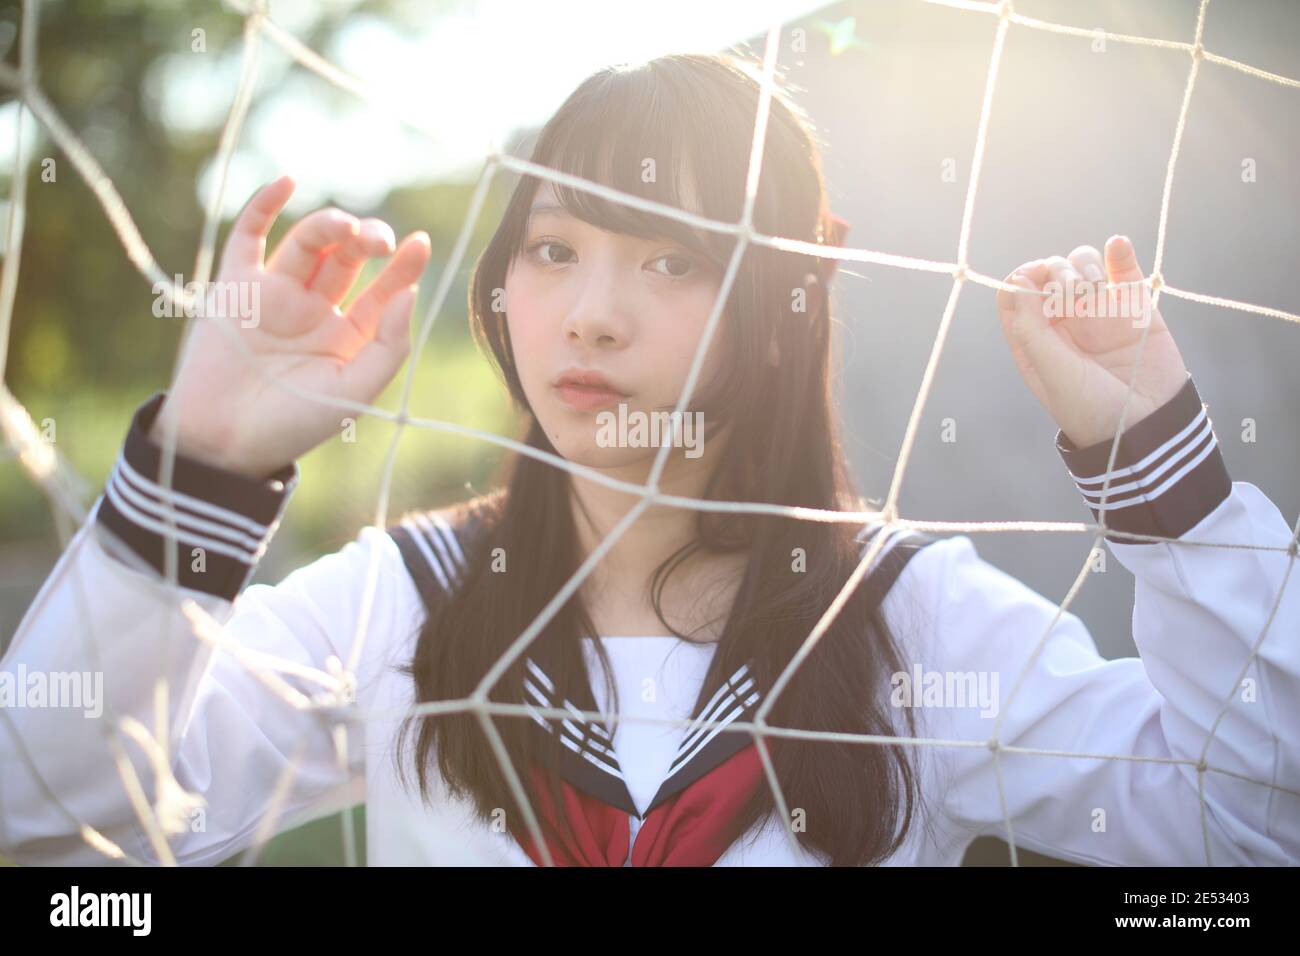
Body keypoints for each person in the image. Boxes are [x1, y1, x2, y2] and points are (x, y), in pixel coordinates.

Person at [2, 53, 1296, 867]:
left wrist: (1164, 477)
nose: (593, 312)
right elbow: (56, 827)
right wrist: (203, 469)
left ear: (786, 300)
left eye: (669, 258)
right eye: (554, 249)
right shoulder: (402, 603)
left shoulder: (909, 619)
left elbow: (1249, 823)